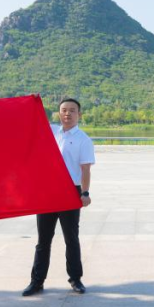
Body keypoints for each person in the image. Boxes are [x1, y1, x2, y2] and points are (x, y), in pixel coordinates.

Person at [23, 98, 95, 296]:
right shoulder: (51, 132)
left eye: (72, 110)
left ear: (79, 114)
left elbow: (85, 169)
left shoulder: (83, 140)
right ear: (59, 113)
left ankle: (76, 279)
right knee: (43, 240)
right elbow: (32, 122)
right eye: (63, 110)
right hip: (47, 192)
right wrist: (32, 102)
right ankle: (37, 282)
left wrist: (85, 193)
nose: (67, 114)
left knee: (71, 238)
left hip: (70, 191)